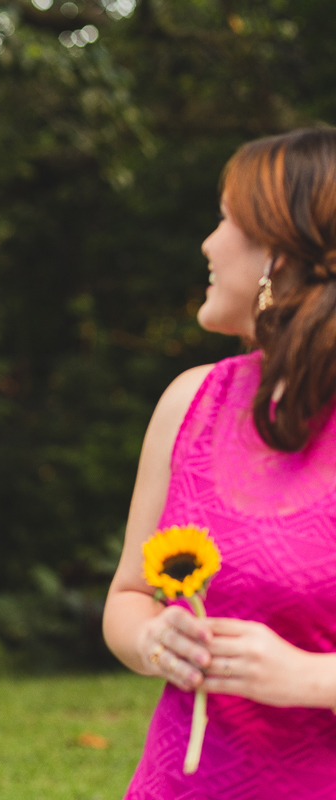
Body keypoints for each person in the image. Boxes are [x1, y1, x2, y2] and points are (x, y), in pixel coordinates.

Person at [102, 128, 336, 798]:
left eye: (228, 220)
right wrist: (154, 643)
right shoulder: (190, 402)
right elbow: (127, 599)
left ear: (284, 254)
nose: (208, 243)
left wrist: (314, 679)